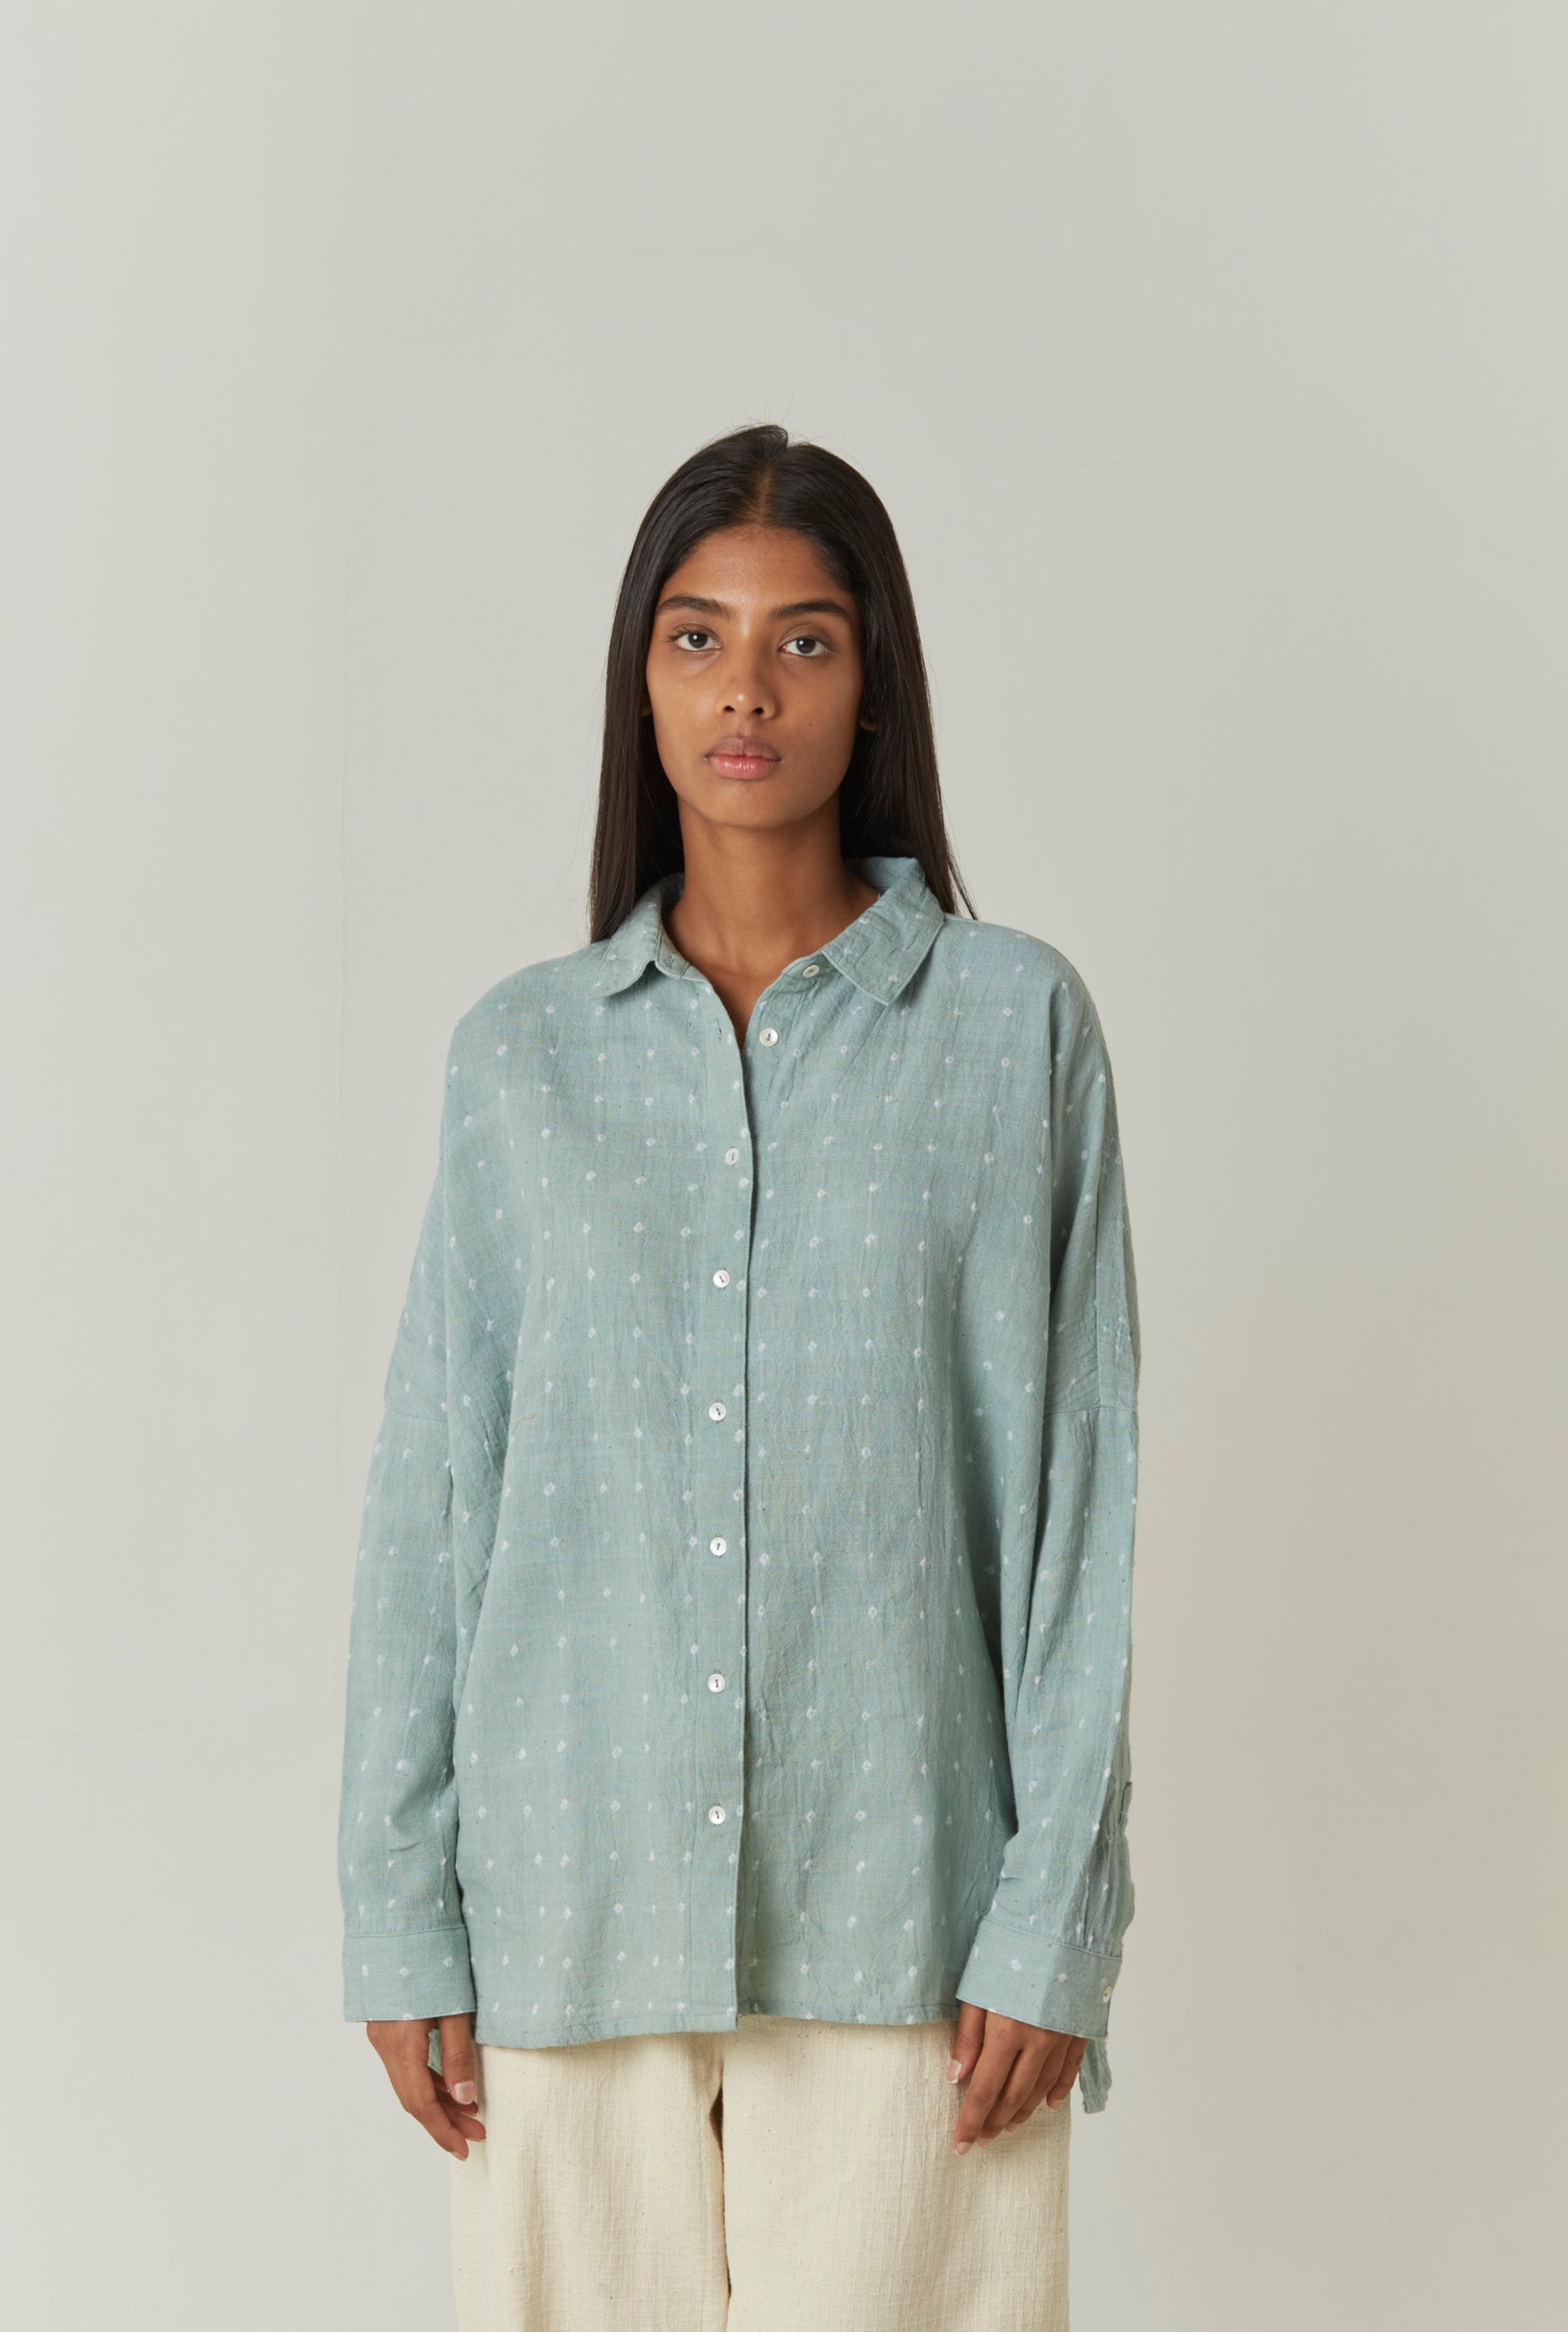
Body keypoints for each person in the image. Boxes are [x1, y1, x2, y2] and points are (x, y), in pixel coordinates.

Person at [337, 424, 1141, 2330]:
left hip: (913, 1919)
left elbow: (1080, 1501)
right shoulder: (518, 1058)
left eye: (804, 641)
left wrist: (1054, 1914)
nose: (745, 691)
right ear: (641, 679)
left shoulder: (1012, 1029)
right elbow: (435, 1496)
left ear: (873, 684)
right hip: (568, 1904)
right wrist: (398, 1901)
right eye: (697, 637)